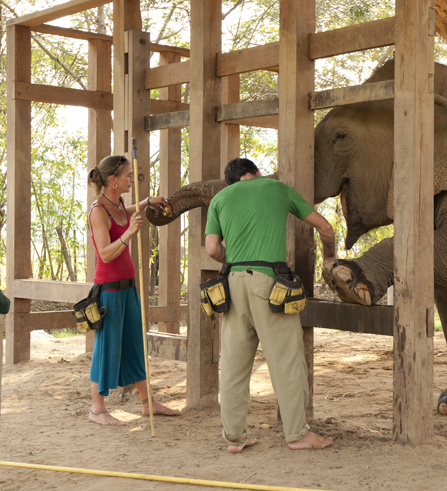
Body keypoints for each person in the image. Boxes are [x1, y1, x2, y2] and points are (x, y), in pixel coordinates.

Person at [205, 158, 336, 453]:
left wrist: (236, 260)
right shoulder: (277, 188)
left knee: (234, 366)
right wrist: (330, 256)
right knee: (287, 360)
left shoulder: (220, 199)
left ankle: (235, 438)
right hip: (268, 283)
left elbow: (212, 249)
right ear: (257, 173)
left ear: (233, 182)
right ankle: (297, 434)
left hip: (232, 285)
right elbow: (325, 227)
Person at [87, 154, 181, 426]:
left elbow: (124, 214)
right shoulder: (97, 211)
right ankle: (96, 409)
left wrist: (147, 202)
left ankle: (147, 402)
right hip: (109, 292)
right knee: (107, 348)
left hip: (128, 289)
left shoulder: (117, 203)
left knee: (135, 346)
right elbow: (104, 254)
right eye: (128, 175)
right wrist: (129, 234)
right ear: (113, 181)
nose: (132, 179)